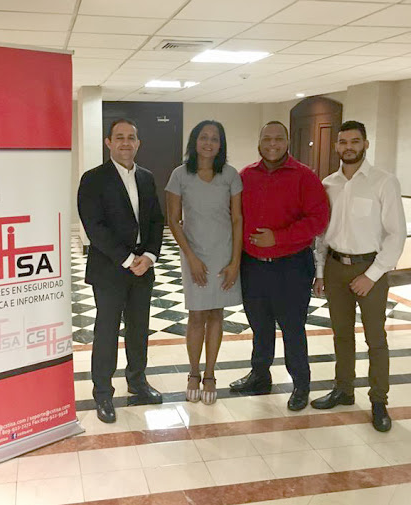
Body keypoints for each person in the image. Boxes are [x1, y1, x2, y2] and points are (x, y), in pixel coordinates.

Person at [311, 120, 406, 432]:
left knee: (375, 339)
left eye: (355, 141)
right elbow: (322, 234)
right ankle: (344, 389)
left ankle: (379, 400)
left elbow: (396, 234)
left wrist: (373, 275)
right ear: (337, 146)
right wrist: (321, 272)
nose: (348, 147)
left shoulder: (384, 181)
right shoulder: (328, 184)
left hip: (370, 268)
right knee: (341, 335)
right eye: (343, 142)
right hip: (335, 267)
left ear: (365, 144)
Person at [229, 121, 329, 411]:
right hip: (253, 267)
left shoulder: (305, 176)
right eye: (267, 138)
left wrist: (278, 237)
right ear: (259, 142)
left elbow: (318, 220)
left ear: (287, 142)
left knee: (292, 328)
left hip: (291, 267)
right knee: (259, 326)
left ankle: (301, 384)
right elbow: (233, 216)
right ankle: (260, 376)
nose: (272, 144)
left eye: (278, 138)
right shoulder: (245, 176)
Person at [77, 118, 164, 423]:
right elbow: (94, 227)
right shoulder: (93, 179)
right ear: (109, 143)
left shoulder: (147, 178)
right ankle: (103, 392)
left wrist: (149, 256)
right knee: (107, 331)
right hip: (110, 269)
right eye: (119, 137)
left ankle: (137, 381)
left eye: (131, 137)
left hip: (143, 268)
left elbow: (156, 220)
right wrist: (128, 259)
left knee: (139, 329)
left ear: (138, 143)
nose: (126, 142)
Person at [166, 120, 242, 405]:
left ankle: (210, 374)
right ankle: (194, 373)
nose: (208, 143)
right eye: (203, 137)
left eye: (214, 138)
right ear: (194, 142)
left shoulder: (230, 175)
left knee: (216, 314)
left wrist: (235, 262)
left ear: (221, 145)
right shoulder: (180, 175)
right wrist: (191, 258)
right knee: (196, 314)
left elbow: (237, 219)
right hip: (193, 254)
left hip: (223, 254)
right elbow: (173, 220)